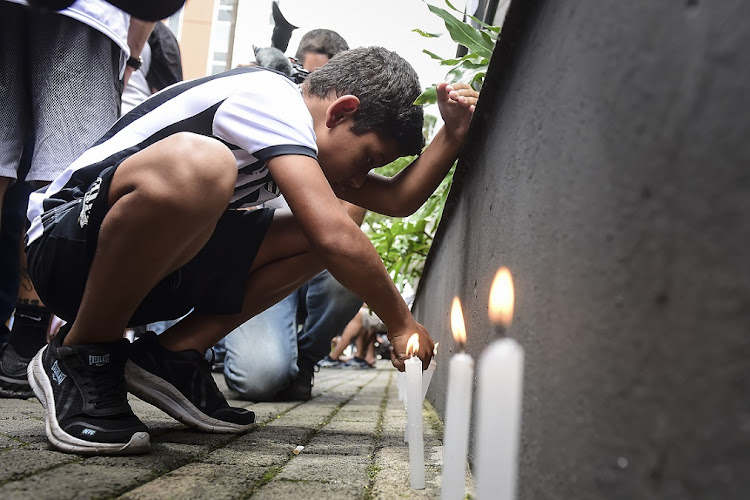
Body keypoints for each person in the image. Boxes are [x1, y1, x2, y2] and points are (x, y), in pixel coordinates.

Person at [25, 46, 478, 455]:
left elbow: (398, 200)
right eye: (366, 160)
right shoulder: (269, 97)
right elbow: (333, 233)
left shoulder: (302, 139)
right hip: (66, 247)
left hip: (150, 273)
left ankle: (172, 355)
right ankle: (81, 351)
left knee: (315, 238)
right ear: (341, 112)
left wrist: (454, 135)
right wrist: (402, 326)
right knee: (209, 167)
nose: (359, 181)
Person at [0, 0, 154, 398]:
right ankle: (27, 340)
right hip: (86, 13)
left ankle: (26, 339)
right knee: (62, 181)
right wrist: (132, 55)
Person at [214, 28, 359, 403]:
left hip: (314, 257)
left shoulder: (348, 136)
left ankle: (307, 359)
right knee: (260, 382)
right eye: (304, 79)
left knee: (352, 273)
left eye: (323, 84)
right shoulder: (271, 101)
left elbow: (350, 227)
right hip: (263, 253)